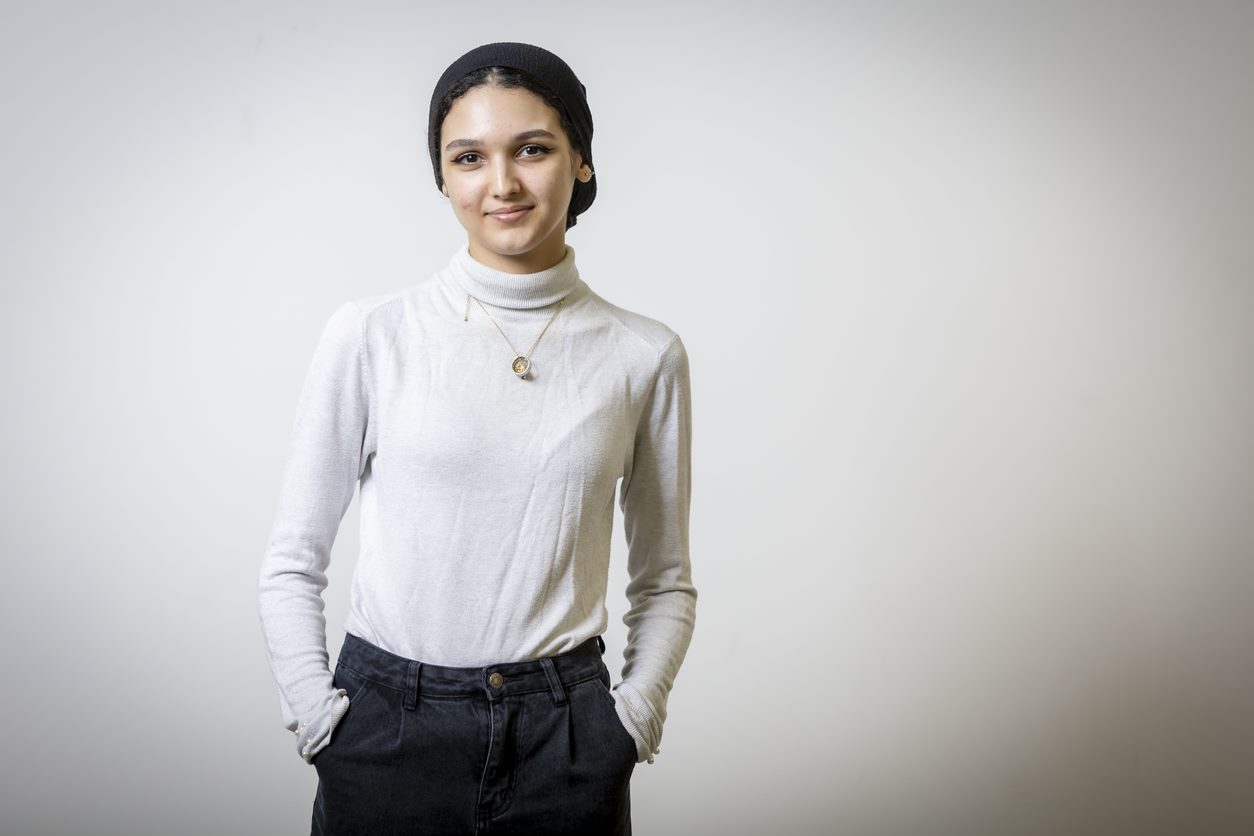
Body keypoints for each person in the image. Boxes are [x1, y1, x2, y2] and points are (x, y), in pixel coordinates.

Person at [257, 41, 696, 835]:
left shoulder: (644, 354)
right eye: (469, 157)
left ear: (582, 162)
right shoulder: (373, 334)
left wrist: (632, 721)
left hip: (566, 735)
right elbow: (293, 558)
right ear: (443, 177)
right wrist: (320, 723)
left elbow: (665, 578)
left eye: (533, 148)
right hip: (386, 724)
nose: (502, 183)